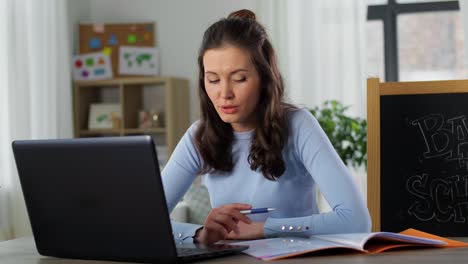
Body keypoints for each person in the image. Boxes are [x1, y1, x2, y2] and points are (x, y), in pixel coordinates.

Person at [162, 9, 371, 245]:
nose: (224, 93)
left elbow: (355, 220)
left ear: (264, 78)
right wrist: (200, 234)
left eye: (239, 78)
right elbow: (145, 222)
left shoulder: (298, 125)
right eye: (213, 80)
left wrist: (264, 229)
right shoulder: (198, 136)